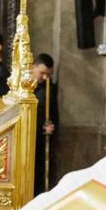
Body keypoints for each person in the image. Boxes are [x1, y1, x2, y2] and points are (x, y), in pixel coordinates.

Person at [32, 53, 59, 194]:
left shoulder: (50, 88)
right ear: (33, 67)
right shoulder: (21, 87)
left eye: (48, 74)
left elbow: (54, 114)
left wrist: (52, 126)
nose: (44, 77)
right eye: (42, 73)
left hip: (41, 139)